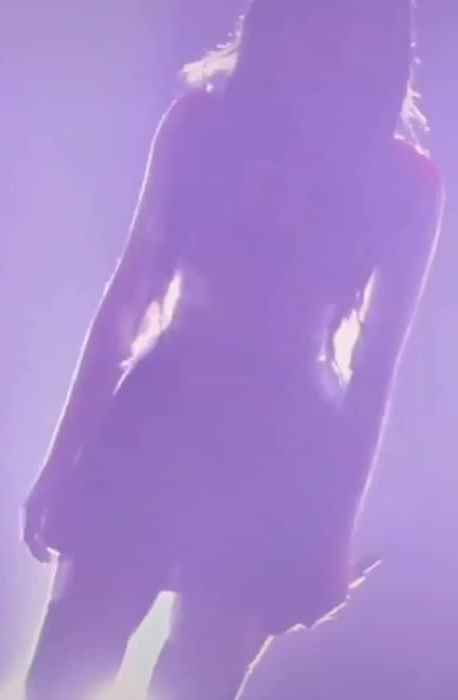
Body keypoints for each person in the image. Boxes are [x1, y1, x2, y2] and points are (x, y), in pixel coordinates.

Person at [22, 1, 445, 698]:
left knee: (197, 681)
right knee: (67, 667)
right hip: (162, 414)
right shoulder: (202, 124)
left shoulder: (405, 179)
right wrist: (62, 457)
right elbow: (130, 296)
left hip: (278, 445)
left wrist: (329, 534)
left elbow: (376, 369)